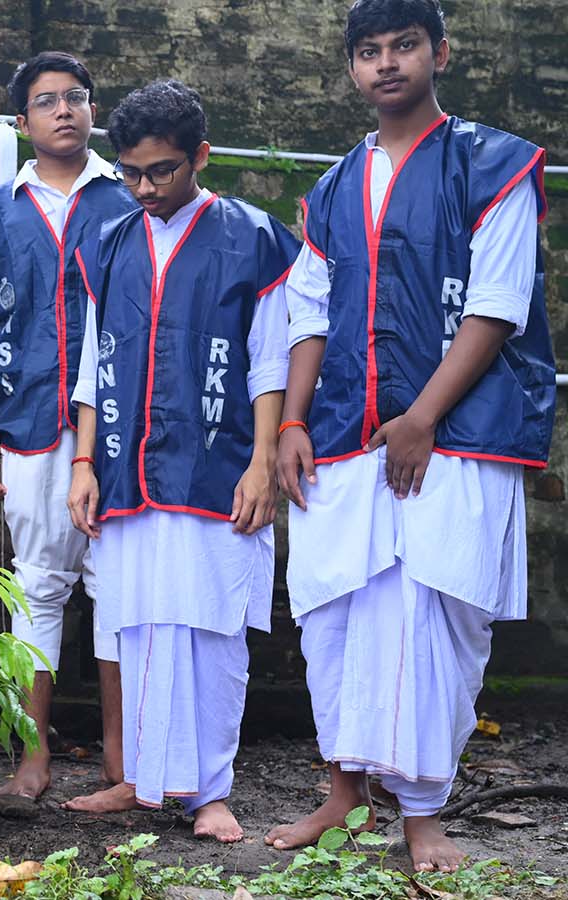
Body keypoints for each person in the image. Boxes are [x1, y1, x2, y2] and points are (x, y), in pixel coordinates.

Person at [264, 0, 552, 873]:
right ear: (352, 67)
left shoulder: (492, 164)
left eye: (404, 45)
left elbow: (496, 305)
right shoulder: (330, 190)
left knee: (437, 615)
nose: (386, 63)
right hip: (344, 433)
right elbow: (309, 314)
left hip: (459, 434)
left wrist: (423, 418)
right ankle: (344, 794)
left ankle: (423, 813)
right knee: (334, 614)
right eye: (369, 51)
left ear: (440, 53)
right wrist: (291, 421)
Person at [62, 80, 299, 843]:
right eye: (130, 172)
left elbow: (271, 360)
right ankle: (140, 777)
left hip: (216, 467)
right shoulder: (109, 242)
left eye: (160, 170)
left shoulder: (252, 238)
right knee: (133, 622)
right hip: (126, 467)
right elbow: (94, 362)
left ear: (201, 155)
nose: (143, 187)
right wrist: (83, 462)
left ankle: (209, 792)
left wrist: (262, 461)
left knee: (211, 627)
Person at [0, 51, 136, 800]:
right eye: (46, 100)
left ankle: (123, 758)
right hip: (30, 419)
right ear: (21, 121)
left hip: (125, 425)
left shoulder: (129, 196)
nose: (64, 109)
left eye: (76, 96)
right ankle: (32, 757)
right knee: (38, 585)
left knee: (121, 585)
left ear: (93, 110)